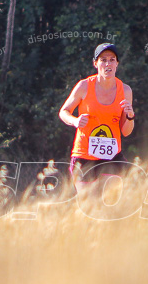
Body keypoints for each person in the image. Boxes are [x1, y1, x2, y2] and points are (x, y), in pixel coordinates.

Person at [58, 43, 135, 190]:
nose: (108, 63)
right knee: (89, 206)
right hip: (84, 156)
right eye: (103, 60)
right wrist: (75, 121)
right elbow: (63, 111)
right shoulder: (84, 86)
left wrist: (130, 117)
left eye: (112, 59)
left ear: (117, 64)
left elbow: (126, 131)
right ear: (95, 64)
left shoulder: (125, 91)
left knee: (111, 202)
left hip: (111, 157)